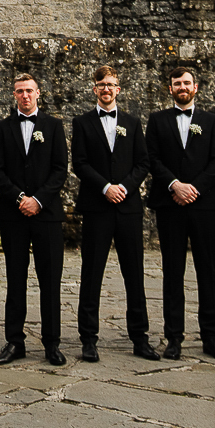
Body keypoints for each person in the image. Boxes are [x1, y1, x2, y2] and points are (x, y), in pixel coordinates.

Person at [71, 65, 158, 362]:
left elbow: (143, 162)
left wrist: (124, 187)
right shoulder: (81, 122)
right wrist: (106, 187)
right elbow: (80, 164)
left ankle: (140, 337)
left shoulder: (133, 123)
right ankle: (88, 338)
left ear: (118, 89)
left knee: (134, 273)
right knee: (91, 273)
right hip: (97, 207)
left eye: (111, 84)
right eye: (101, 84)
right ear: (94, 89)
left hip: (128, 207)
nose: (106, 89)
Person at [145, 64, 215, 359]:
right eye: (177, 83)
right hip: (170, 204)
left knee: (208, 271)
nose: (182, 87)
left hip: (203, 204)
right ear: (171, 89)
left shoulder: (212, 120)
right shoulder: (157, 120)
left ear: (196, 87)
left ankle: (211, 336)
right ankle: (174, 337)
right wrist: (175, 185)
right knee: (172, 271)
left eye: (187, 83)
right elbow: (152, 158)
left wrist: (194, 189)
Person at [0, 73, 68, 365]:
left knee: (50, 281)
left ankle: (52, 343)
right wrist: (20, 198)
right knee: (15, 279)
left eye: (29, 91)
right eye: (19, 91)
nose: (24, 95)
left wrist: (39, 200)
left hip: (47, 215)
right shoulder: (3, 127)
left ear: (38, 94)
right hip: (14, 215)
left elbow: (60, 169)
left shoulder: (53, 126)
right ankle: (14, 342)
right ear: (14, 95)